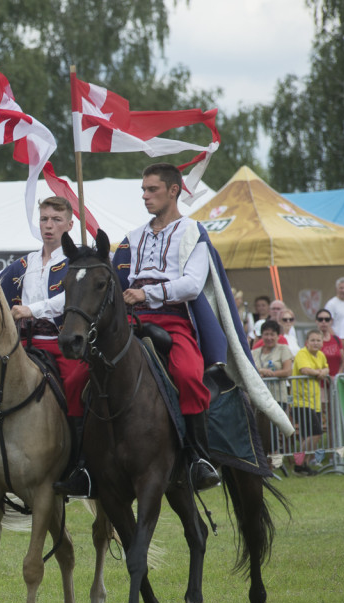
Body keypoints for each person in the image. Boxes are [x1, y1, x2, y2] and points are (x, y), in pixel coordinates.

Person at [113, 162, 220, 491]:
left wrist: (148, 292)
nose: (145, 196)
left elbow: (191, 285)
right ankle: (87, 461)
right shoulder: (132, 237)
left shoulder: (194, 232)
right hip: (131, 321)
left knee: (188, 374)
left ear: (173, 190)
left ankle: (199, 459)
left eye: (152, 189)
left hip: (173, 320)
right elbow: (114, 280)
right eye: (143, 190)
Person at [0, 196, 91, 497]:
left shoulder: (78, 263)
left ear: (70, 224)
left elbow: (73, 297)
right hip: (20, 344)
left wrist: (33, 309)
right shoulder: (24, 264)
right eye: (45, 219)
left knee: (75, 382)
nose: (49, 226)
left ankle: (78, 464)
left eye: (56, 220)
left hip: (61, 342)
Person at [291, 329, 329, 474]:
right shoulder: (302, 353)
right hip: (301, 402)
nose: (315, 343)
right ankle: (299, 464)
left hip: (315, 402)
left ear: (322, 342)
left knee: (310, 435)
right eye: (312, 340)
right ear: (307, 342)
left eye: (318, 340)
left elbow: (326, 368)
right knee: (316, 433)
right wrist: (319, 373)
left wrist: (323, 372)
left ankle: (303, 465)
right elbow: (305, 370)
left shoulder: (321, 355)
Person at [254, 320, 293, 407]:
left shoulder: (283, 349)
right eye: (266, 334)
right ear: (262, 335)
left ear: (278, 336)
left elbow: (287, 371)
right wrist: (261, 371)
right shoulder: (254, 352)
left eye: (272, 334)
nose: (269, 337)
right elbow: (249, 370)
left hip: (278, 396)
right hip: (259, 396)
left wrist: (271, 374)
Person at [314, 308, 344, 377]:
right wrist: (327, 378)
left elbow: (343, 361)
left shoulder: (336, 339)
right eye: (320, 319)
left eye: (327, 319)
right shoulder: (313, 341)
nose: (324, 322)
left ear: (331, 321)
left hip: (336, 380)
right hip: (320, 381)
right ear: (316, 321)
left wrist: (338, 376)